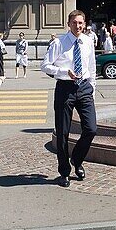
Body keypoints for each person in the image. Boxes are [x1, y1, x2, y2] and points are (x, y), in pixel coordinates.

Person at [42, 10, 97, 187]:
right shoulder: (59, 42)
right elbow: (45, 65)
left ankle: (77, 160)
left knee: (91, 128)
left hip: (84, 88)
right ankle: (64, 171)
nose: (78, 26)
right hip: (65, 88)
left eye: (81, 23)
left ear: (85, 24)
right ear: (69, 23)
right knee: (63, 132)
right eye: (74, 23)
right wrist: (64, 72)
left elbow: (92, 66)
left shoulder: (88, 41)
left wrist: (92, 88)